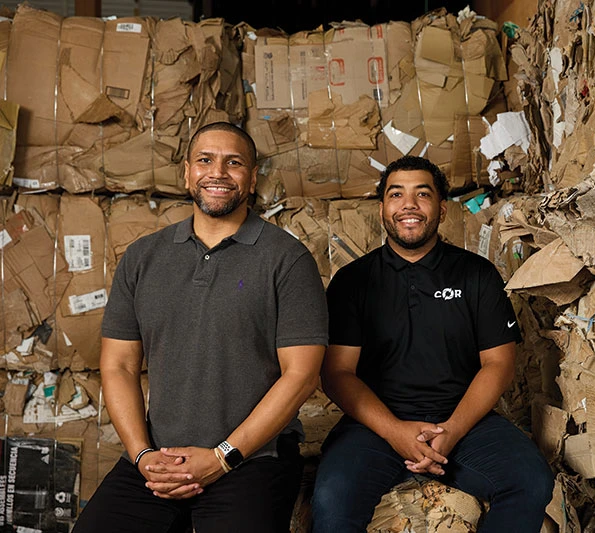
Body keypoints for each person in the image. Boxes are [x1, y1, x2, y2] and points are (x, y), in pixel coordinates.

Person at [74, 122, 328, 533]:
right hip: (157, 459)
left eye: (234, 163)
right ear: (187, 172)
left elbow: (301, 376)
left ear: (252, 177)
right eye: (205, 160)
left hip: (252, 458)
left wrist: (222, 456)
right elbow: (118, 365)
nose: (218, 173)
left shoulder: (287, 259)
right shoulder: (142, 257)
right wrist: (142, 456)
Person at [310, 156, 553, 532]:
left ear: (441, 209)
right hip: (374, 427)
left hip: (465, 423)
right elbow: (337, 373)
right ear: (382, 210)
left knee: (531, 481)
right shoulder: (353, 281)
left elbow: (498, 364)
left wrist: (452, 431)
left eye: (422, 194)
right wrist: (395, 432)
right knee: (331, 499)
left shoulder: (476, 275)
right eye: (396, 195)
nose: (409, 204)